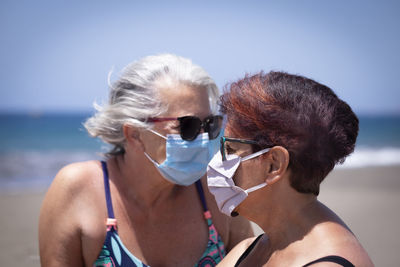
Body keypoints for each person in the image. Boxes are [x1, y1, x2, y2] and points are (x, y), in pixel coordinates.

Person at [39, 54, 253, 266]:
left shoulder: (218, 190)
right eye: (188, 126)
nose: (204, 137)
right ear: (134, 133)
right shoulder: (78, 188)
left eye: (211, 124)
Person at [207, 71, 373, 266]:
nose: (217, 161)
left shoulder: (326, 263)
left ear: (274, 165)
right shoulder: (249, 249)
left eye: (230, 149)